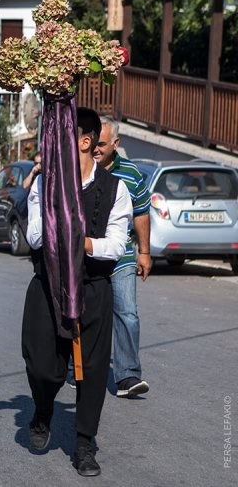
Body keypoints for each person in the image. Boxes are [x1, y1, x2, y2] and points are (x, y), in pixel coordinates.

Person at [21, 108, 131, 477]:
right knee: (41, 364)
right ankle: (43, 409)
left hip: (93, 286)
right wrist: (58, 226)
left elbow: (116, 245)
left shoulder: (116, 189)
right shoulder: (42, 184)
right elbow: (33, 235)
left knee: (94, 371)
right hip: (48, 283)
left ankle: (84, 442)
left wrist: (81, 242)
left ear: (84, 142)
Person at [93, 116, 152, 398]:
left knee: (127, 313)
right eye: (93, 142)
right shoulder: (80, 170)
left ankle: (127, 375)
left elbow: (141, 212)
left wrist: (144, 252)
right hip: (88, 255)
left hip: (123, 256)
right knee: (79, 313)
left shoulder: (131, 173)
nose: (95, 148)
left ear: (115, 144)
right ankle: (72, 366)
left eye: (101, 144)